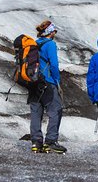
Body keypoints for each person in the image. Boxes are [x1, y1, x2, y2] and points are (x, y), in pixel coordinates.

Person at [29, 20, 66, 154]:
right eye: (54, 31)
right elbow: (54, 65)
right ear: (51, 32)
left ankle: (36, 142)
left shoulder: (34, 44)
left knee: (36, 112)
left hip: (33, 82)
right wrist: (56, 80)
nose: (55, 33)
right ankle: (50, 141)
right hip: (47, 81)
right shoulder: (50, 44)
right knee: (55, 110)